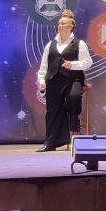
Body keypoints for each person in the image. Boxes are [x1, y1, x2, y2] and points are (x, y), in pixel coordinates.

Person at [36, 11, 93, 151]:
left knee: (73, 97)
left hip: (73, 79)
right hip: (54, 79)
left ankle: (73, 119)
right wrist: (41, 80)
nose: (59, 25)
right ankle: (50, 142)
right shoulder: (50, 44)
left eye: (63, 23)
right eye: (59, 23)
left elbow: (88, 62)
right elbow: (44, 66)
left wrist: (72, 65)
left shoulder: (79, 43)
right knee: (52, 110)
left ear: (71, 26)